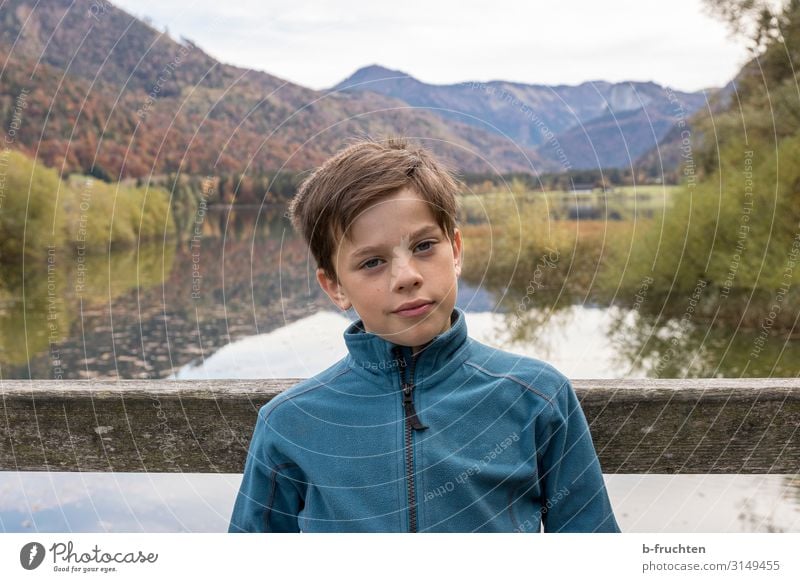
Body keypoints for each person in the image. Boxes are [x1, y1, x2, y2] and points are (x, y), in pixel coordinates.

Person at [228, 137, 620, 533]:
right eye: (373, 262)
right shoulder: (292, 422)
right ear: (335, 287)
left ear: (456, 250)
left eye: (424, 246)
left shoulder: (536, 397)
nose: (407, 276)